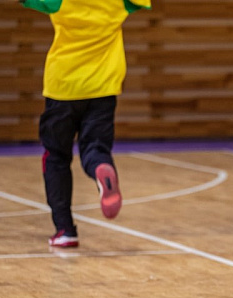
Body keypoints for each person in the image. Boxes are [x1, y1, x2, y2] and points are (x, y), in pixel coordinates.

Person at [21, 0, 151, 247]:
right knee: (96, 148)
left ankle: (65, 230)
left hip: (63, 88)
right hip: (103, 89)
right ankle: (101, 167)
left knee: (56, 157)